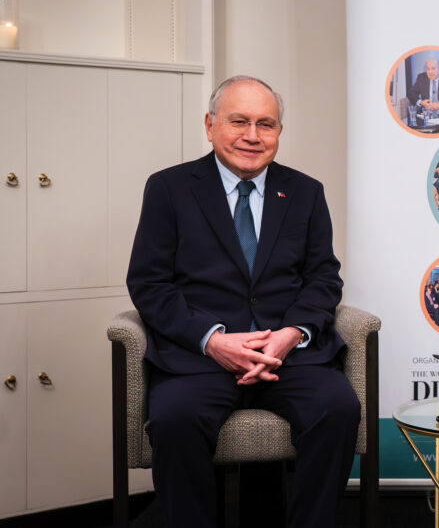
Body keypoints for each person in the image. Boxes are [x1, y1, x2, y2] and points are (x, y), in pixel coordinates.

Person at [126, 76, 360, 528]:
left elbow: (323, 278)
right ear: (210, 125)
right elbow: (150, 284)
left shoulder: (306, 191)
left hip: (287, 357)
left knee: (339, 408)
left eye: (265, 124)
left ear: (278, 133)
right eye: (239, 122)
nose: (252, 136)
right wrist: (213, 340)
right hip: (201, 358)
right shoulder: (169, 188)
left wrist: (291, 335)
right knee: (174, 421)